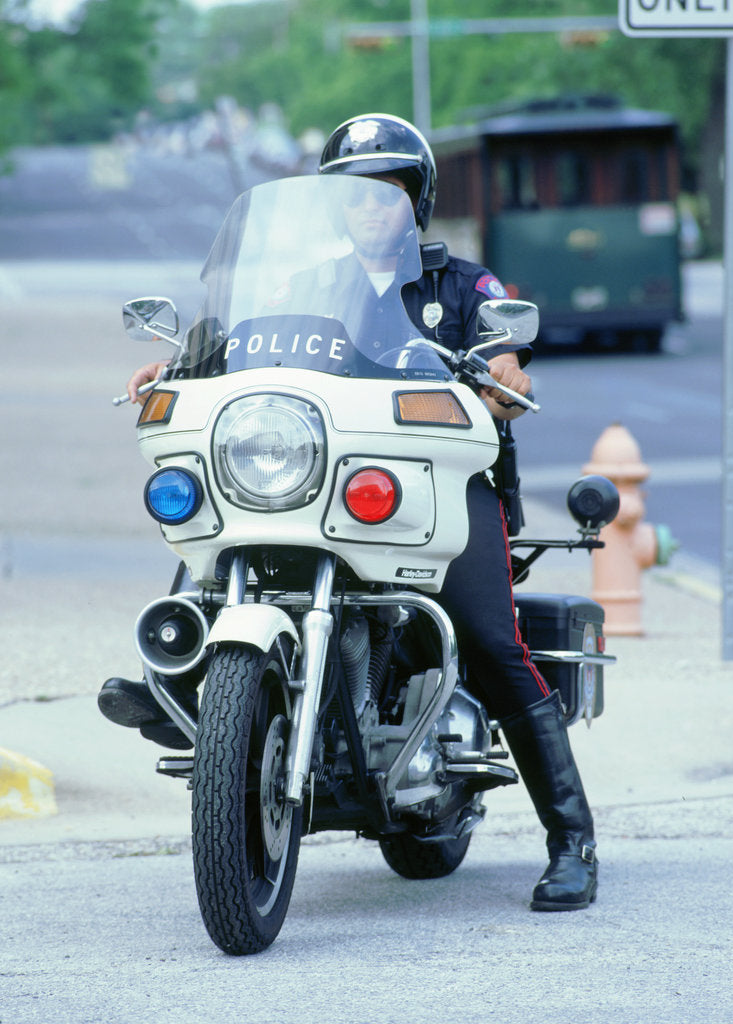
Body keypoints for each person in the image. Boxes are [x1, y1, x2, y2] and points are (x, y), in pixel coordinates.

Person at [99, 113, 598, 912]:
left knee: (489, 639)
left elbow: (505, 363)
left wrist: (505, 377)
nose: (370, 207)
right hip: (322, 486)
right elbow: (236, 344)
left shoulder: (464, 286)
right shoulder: (304, 287)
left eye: (387, 192)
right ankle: (191, 690)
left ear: (415, 201)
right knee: (217, 558)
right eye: (355, 194)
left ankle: (572, 842)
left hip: (436, 493)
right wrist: (181, 363)